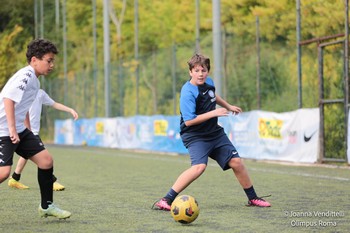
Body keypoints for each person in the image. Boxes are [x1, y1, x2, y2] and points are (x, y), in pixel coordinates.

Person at [152, 54, 271, 211]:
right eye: (196, 70)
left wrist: (228, 106)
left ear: (208, 71)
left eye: (204, 70)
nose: (200, 74)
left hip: (214, 133)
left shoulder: (209, 82)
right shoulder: (188, 92)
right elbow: (189, 121)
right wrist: (214, 113)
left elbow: (212, 95)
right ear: (190, 72)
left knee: (237, 162)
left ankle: (253, 198)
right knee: (199, 167)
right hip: (195, 136)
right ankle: (165, 200)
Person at [0, 38, 71, 219]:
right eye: (48, 60)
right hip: (3, 131)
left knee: (46, 161)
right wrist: (12, 129)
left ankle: (46, 206)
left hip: (17, 130)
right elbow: (8, 99)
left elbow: (21, 106)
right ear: (34, 60)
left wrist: (25, 130)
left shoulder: (35, 81)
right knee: (3, 173)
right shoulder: (26, 76)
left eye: (52, 61)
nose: (52, 65)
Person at [7, 89, 79, 191]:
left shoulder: (40, 93)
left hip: (31, 132)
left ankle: (14, 178)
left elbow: (54, 104)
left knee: (27, 155)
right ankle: (52, 181)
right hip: (25, 132)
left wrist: (70, 110)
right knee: (44, 159)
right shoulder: (20, 92)